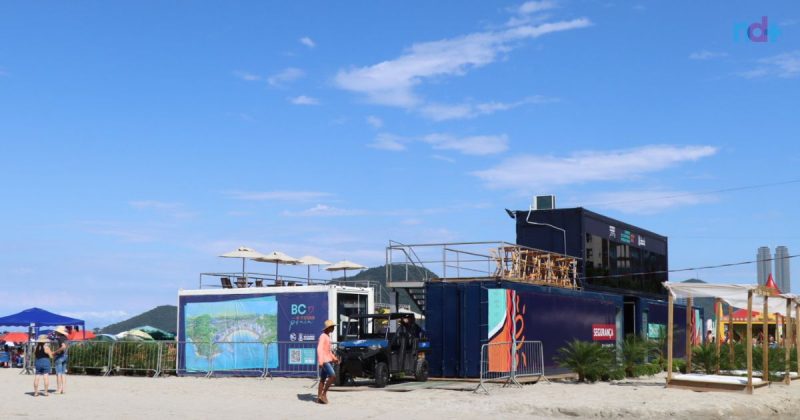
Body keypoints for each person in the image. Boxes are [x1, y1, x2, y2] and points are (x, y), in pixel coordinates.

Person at [316, 320, 338, 404]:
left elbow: (328, 351)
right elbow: (319, 349)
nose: (333, 328)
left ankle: (318, 398)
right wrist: (321, 362)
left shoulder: (327, 336)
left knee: (323, 379)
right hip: (324, 361)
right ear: (328, 328)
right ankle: (323, 394)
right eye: (332, 327)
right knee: (333, 376)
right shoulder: (323, 336)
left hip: (327, 359)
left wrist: (334, 358)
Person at [52, 326, 70, 394]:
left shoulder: (60, 338)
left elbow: (63, 347)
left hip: (60, 356)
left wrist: (55, 352)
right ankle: (63, 389)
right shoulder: (66, 338)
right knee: (63, 373)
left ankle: (59, 389)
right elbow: (66, 347)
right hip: (66, 355)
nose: (55, 332)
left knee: (58, 373)